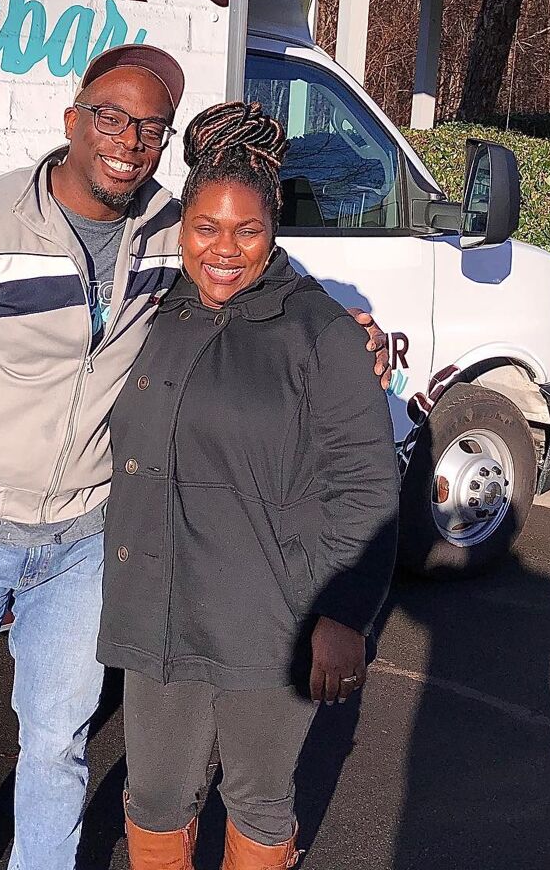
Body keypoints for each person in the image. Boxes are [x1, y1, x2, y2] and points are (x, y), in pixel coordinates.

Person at [0, 48, 390, 870]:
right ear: (73, 119)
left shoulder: (163, 232)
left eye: (149, 127)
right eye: (110, 116)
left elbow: (250, 255)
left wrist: (345, 331)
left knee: (57, 750)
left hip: (81, 544)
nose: (128, 139)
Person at [98, 101, 401, 870]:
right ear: (183, 226)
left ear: (274, 231)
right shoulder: (158, 313)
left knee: (260, 802)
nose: (223, 250)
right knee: (157, 800)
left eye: (247, 230)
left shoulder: (322, 333)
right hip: (160, 610)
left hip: (270, 621)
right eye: (205, 227)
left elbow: (365, 488)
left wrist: (343, 615)